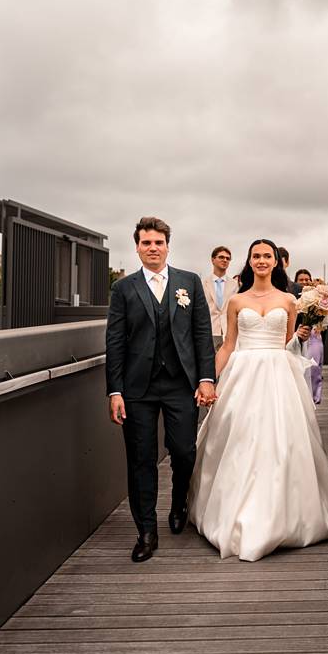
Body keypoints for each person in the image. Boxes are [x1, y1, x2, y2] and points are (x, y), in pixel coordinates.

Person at [190, 239, 328, 561]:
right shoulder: (236, 301)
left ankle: (280, 515)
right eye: (256, 256)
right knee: (240, 439)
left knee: (280, 441)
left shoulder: (288, 300)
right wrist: (209, 380)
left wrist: (302, 338)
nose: (261, 260)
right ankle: (235, 513)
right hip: (242, 373)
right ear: (250, 261)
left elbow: (290, 346)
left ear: (275, 262)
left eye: (266, 256)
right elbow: (229, 345)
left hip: (278, 374)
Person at [106, 217, 217, 563]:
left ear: (168, 246)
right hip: (138, 387)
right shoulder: (123, 289)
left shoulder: (190, 283)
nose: (152, 248)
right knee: (141, 459)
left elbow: (202, 334)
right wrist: (115, 391)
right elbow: (115, 342)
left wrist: (206, 378)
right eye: (145, 243)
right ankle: (146, 532)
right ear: (137, 247)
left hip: (180, 383)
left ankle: (180, 498)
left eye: (158, 243)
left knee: (184, 451)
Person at [295, 270, 324, 404]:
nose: (304, 282)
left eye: (307, 279)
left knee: (314, 366)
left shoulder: (318, 298)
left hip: (313, 335)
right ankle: (300, 396)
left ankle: (314, 397)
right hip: (297, 335)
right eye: (301, 280)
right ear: (296, 281)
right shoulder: (292, 297)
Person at [201, 245, 239, 349]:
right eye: (221, 257)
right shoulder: (203, 283)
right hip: (210, 330)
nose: (225, 260)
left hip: (229, 330)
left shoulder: (235, 285)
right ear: (213, 260)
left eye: (228, 258)